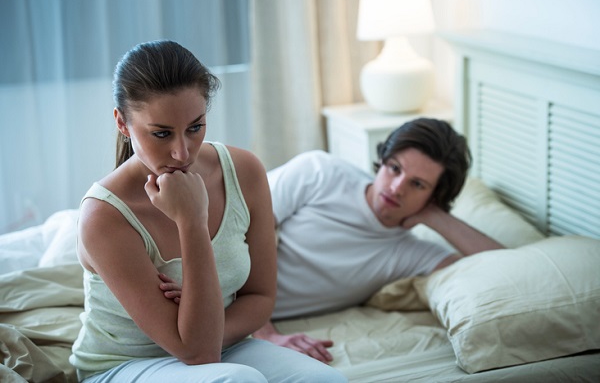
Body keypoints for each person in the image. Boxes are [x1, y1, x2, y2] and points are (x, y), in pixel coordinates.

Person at [69, 40, 347, 383]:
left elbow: (260, 298)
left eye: (195, 127)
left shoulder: (244, 171)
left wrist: (204, 318)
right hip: (122, 365)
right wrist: (192, 220)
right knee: (237, 381)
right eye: (161, 134)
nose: (182, 152)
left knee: (327, 381)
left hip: (226, 346)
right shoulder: (104, 217)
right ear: (123, 124)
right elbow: (198, 354)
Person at [252, 118, 505, 363]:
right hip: (219, 287)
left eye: (417, 184)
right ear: (383, 159)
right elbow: (235, 231)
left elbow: (503, 266)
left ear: (435, 197)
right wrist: (263, 331)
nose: (396, 188)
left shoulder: (411, 253)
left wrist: (436, 217)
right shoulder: (319, 172)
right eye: (395, 168)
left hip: (229, 319)